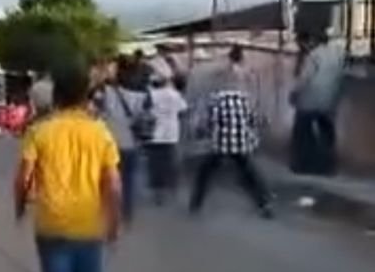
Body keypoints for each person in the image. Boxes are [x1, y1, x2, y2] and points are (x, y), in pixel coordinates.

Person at [15, 62, 121, 272]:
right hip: (89, 226)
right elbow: (114, 185)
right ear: (86, 96)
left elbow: (23, 178)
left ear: (56, 96)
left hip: (52, 225)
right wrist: (113, 223)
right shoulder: (100, 132)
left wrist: (20, 206)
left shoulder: (40, 131)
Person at [188, 70, 273, 219]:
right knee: (249, 174)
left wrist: (201, 133)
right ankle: (264, 204)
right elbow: (254, 121)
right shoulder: (244, 100)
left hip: (221, 143)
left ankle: (196, 204)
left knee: (205, 173)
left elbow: (208, 123)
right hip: (240, 143)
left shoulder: (215, 100)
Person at [90, 58, 148, 222]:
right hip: (131, 144)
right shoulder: (142, 95)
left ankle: (106, 211)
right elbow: (146, 117)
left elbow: (93, 101)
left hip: (110, 144)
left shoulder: (107, 92)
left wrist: (103, 77)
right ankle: (127, 213)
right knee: (128, 181)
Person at [290, 31, 343, 175]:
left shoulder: (313, 56)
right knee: (327, 134)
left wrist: (294, 93)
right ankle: (328, 168)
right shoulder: (338, 55)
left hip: (310, 100)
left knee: (302, 132)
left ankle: (303, 166)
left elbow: (304, 78)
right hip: (330, 100)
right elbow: (341, 77)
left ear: (312, 41)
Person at [144, 74, 188, 204]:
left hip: (153, 133)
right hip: (171, 133)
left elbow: (144, 110)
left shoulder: (150, 95)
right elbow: (183, 110)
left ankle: (158, 194)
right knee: (171, 161)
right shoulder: (174, 94)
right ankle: (173, 188)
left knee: (155, 164)